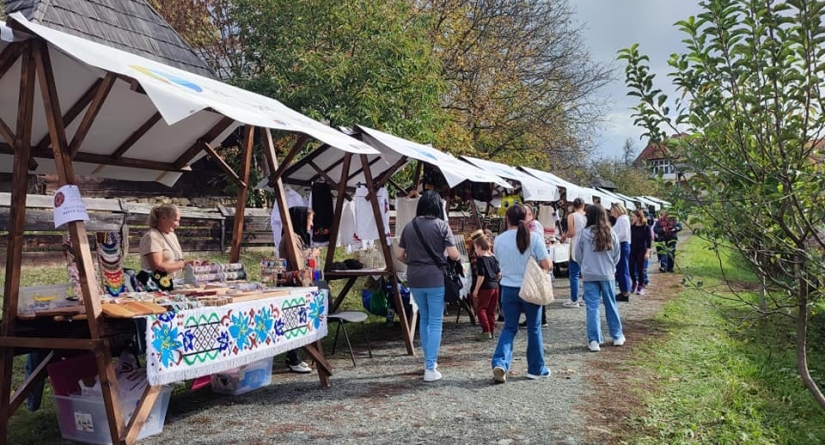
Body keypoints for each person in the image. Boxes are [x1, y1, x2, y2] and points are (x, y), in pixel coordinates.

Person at [396, 190, 460, 382]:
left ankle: (429, 361)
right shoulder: (442, 226)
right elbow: (454, 254)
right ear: (438, 207)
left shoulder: (409, 226)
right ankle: (430, 367)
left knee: (424, 319)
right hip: (435, 278)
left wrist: (414, 262)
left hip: (414, 277)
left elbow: (399, 255)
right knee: (435, 321)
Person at [491, 204, 552, 383]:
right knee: (534, 328)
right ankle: (535, 368)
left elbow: (498, 261)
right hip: (530, 288)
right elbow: (547, 264)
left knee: (509, 328)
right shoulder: (534, 238)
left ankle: (501, 363)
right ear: (526, 219)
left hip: (508, 288)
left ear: (507, 219)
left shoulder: (499, 240)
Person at [575, 204, 625, 352]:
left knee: (592, 308)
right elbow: (617, 254)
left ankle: (594, 340)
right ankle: (617, 336)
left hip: (590, 274)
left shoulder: (583, 233)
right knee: (611, 304)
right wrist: (610, 267)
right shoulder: (610, 232)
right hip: (607, 273)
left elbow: (578, 255)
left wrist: (585, 266)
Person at [278, 206, 320, 374]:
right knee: (295, 322)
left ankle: (295, 356)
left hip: (300, 284)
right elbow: (298, 262)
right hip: (293, 285)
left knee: (300, 321)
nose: (311, 224)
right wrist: (312, 253)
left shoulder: (298, 237)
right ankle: (294, 358)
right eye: (309, 220)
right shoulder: (291, 238)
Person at [139, 204, 185, 276]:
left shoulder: (172, 235)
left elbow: (176, 262)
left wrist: (190, 264)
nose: (177, 224)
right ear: (163, 218)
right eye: (175, 220)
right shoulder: (151, 237)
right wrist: (183, 265)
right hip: (156, 285)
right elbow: (157, 268)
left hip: (174, 283)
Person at [524, 205, 550, 327]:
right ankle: (538, 318)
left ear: (532, 215)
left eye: (527, 214)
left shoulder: (534, 226)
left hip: (536, 260)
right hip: (533, 260)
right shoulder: (529, 226)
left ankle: (541, 318)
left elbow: (536, 242)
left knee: (537, 288)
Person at [472, 234, 500, 341]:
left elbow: (481, 276)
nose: (475, 250)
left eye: (475, 248)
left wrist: (476, 289)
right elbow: (499, 274)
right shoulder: (493, 257)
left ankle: (486, 331)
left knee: (481, 309)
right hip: (495, 287)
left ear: (479, 247)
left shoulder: (481, 260)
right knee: (491, 310)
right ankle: (492, 330)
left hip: (486, 287)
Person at [559, 198, 586, 308]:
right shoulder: (587, 216)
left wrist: (564, 236)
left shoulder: (572, 216)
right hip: (586, 245)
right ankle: (585, 297)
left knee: (574, 274)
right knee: (585, 274)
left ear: (573, 206)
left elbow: (571, 232)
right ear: (583, 205)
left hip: (575, 244)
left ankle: (574, 299)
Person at [610, 203, 632, 302]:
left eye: (612, 211)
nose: (612, 213)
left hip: (623, 245)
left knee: (623, 269)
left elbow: (623, 234)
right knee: (621, 269)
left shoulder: (622, 219)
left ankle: (625, 292)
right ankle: (624, 290)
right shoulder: (621, 219)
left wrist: (613, 240)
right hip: (622, 245)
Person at [629, 209, 652, 295]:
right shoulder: (632, 227)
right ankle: (634, 282)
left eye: (633, 216)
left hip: (641, 250)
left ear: (638, 217)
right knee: (630, 268)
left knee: (640, 269)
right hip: (632, 249)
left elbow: (649, 241)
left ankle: (640, 286)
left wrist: (647, 252)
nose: (632, 218)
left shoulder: (646, 227)